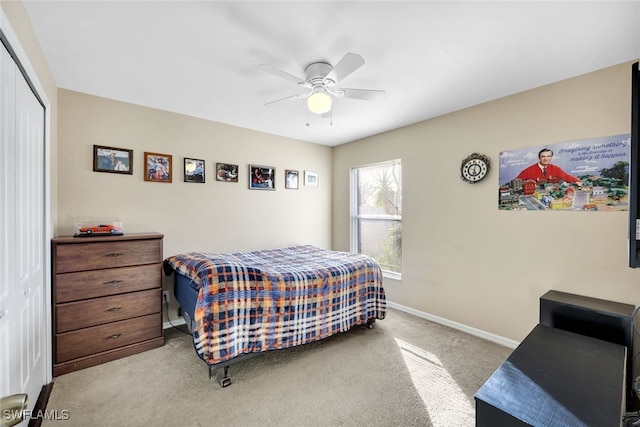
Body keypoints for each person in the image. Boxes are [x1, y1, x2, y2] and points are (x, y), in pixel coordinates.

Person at [516, 148, 582, 185]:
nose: (546, 159)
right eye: (543, 156)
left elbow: (566, 176)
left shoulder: (555, 169)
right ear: (539, 158)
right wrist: (526, 182)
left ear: (551, 157)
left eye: (548, 156)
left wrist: (576, 181)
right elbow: (517, 181)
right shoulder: (529, 170)